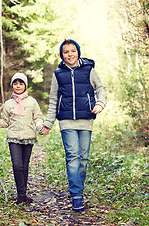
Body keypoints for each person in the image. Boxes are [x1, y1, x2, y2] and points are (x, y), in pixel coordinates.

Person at [40, 39, 107, 212]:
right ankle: (76, 195)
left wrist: (100, 104)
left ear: (78, 52)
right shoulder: (58, 74)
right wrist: (48, 123)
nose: (70, 54)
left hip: (86, 119)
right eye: (66, 52)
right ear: (62, 55)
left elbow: (101, 89)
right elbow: (54, 100)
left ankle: (79, 188)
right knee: (73, 157)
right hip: (66, 121)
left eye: (72, 51)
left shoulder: (89, 70)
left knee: (83, 159)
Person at [0, 73, 43, 205]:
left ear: (25, 86)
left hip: (29, 137)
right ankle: (20, 195)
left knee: (24, 166)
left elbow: (38, 117)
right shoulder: (8, 104)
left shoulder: (32, 102)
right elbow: (5, 122)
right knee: (17, 166)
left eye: (21, 83)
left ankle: (24, 194)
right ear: (12, 85)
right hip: (14, 138)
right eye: (15, 83)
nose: (18, 86)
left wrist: (39, 126)